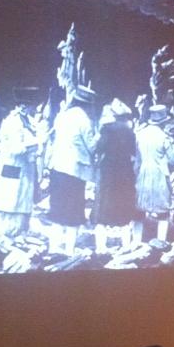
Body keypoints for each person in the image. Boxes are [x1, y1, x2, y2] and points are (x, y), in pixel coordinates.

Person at [48, 85, 98, 254]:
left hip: (57, 167)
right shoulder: (84, 120)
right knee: (73, 213)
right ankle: (69, 250)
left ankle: (53, 248)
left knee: (57, 211)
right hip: (74, 171)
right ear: (88, 104)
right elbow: (92, 147)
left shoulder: (62, 116)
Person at [0, 87, 40, 237]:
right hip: (13, 166)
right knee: (10, 199)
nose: (34, 109)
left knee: (21, 199)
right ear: (23, 106)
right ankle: (6, 232)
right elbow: (14, 148)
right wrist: (33, 144)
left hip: (25, 168)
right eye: (32, 106)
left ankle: (19, 231)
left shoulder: (28, 121)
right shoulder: (12, 122)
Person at [93, 99, 138, 253]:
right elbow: (133, 152)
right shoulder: (130, 132)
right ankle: (126, 246)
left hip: (108, 173)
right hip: (124, 173)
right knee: (124, 208)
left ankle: (101, 247)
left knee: (103, 208)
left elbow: (99, 148)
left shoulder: (107, 129)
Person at [134, 104, 174, 243]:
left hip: (142, 173)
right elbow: (173, 159)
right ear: (163, 122)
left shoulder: (140, 134)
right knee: (163, 211)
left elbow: (136, 158)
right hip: (159, 175)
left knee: (139, 210)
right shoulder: (164, 137)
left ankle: (136, 242)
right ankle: (161, 241)